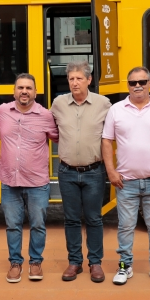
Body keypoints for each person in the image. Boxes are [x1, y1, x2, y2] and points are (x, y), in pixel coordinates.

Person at [102, 67, 150, 286]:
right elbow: (106, 141)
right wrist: (111, 171)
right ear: (127, 85)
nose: (137, 86)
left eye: (142, 82)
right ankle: (125, 266)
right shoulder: (116, 110)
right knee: (125, 226)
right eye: (132, 82)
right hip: (125, 181)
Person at [0, 73, 59, 283]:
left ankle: (35, 262)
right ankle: (15, 263)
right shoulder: (3, 111)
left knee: (38, 224)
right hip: (9, 180)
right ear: (14, 91)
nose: (24, 91)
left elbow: (57, 136)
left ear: (35, 92)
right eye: (20, 88)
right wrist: (4, 137)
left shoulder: (46, 115)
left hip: (37, 182)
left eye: (28, 88)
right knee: (13, 224)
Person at [51, 61, 111, 283]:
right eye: (71, 79)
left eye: (78, 78)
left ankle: (95, 263)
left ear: (89, 80)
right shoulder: (58, 104)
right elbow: (51, 129)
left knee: (94, 219)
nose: (74, 83)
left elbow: (112, 135)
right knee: (71, 219)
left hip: (93, 171)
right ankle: (74, 262)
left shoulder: (103, 104)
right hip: (67, 172)